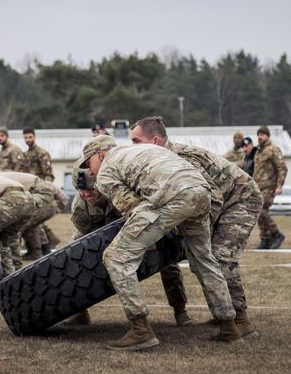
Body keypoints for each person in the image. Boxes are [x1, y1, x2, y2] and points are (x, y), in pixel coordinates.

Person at [84, 136, 238, 351]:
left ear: (100, 154)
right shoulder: (143, 149)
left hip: (172, 196)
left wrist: (149, 240)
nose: (89, 172)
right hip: (201, 193)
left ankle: (140, 330)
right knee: (203, 259)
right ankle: (228, 325)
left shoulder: (106, 170)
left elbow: (131, 206)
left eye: (88, 163)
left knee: (116, 257)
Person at [130, 117, 263, 337]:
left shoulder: (180, 160)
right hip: (219, 202)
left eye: (136, 141)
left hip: (240, 198)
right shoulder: (156, 162)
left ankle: (241, 321)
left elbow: (214, 197)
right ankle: (223, 312)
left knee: (220, 256)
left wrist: (199, 233)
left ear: (154, 141)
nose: (131, 147)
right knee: (204, 257)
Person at [67, 168, 196, 328]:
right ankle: (80, 313)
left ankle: (180, 311)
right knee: (75, 260)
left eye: (91, 189)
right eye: (82, 190)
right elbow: (86, 237)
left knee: (168, 263)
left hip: (134, 228)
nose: (87, 194)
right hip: (97, 234)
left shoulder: (120, 193)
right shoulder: (80, 208)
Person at [0, 171, 68, 268]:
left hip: (49, 198)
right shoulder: (1, 177)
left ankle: (16, 261)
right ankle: (37, 253)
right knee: (32, 226)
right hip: (53, 198)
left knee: (17, 227)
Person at [21, 127, 62, 255]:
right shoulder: (26, 155)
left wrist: (46, 191)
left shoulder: (41, 153)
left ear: (34, 137)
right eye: (26, 137)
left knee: (35, 221)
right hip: (30, 192)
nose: (28, 140)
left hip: (41, 192)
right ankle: (44, 247)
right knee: (36, 222)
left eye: (30, 137)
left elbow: (48, 174)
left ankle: (45, 248)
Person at [252, 126, 288, 249]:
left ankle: (277, 234)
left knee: (261, 210)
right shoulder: (258, 152)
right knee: (259, 213)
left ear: (268, 136)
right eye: (258, 134)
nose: (260, 137)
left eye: (262, 134)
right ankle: (265, 239)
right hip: (258, 187)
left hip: (269, 186)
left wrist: (279, 185)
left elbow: (282, 168)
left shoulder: (273, 150)